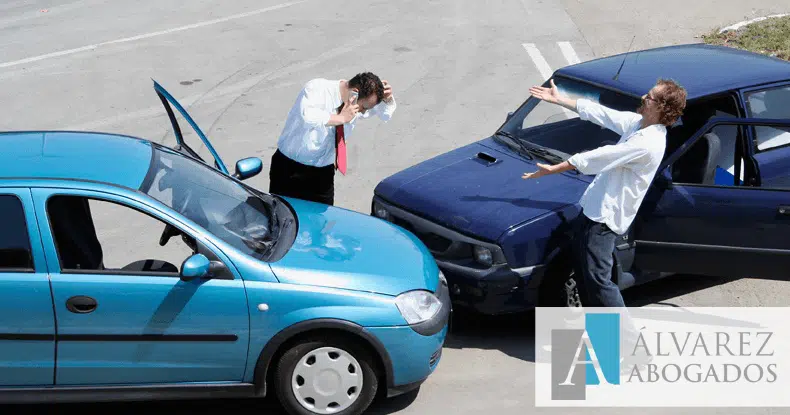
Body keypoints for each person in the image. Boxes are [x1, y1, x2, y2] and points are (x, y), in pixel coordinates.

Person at [522, 78, 687, 309]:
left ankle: (621, 340)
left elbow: (602, 156)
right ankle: (602, 338)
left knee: (598, 282)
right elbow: (602, 113)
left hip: (604, 222)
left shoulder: (649, 142)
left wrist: (557, 167)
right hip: (592, 211)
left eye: (649, 97)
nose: (643, 98)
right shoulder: (639, 124)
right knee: (585, 278)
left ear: (661, 107)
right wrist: (560, 100)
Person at [268, 72, 396, 206]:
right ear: (355, 93)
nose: (363, 112)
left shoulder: (353, 104)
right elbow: (308, 117)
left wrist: (387, 99)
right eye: (363, 107)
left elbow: (385, 114)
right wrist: (341, 118)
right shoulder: (317, 88)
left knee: (323, 221)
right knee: (282, 219)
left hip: (323, 175)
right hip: (290, 170)